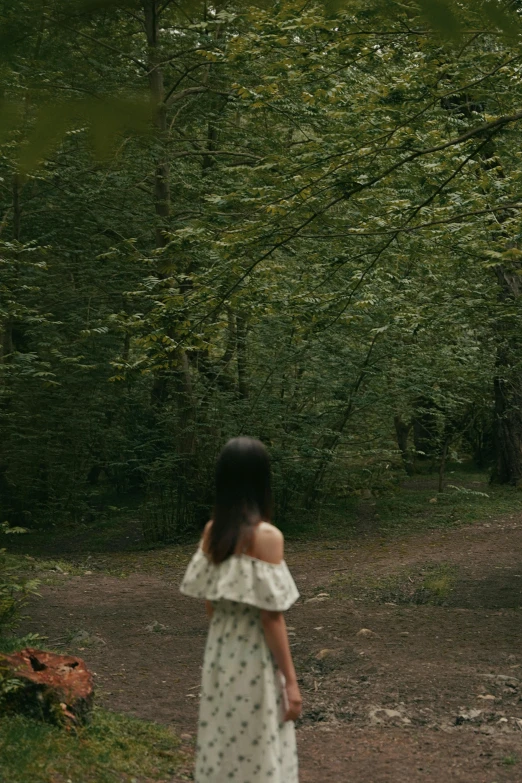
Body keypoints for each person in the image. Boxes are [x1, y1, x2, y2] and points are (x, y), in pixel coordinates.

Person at [180, 436, 303, 782]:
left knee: (225, 742)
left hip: (220, 653)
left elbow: (210, 602)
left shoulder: (212, 533)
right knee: (259, 742)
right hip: (254, 655)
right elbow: (271, 616)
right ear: (262, 480)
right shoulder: (267, 537)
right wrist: (291, 682)